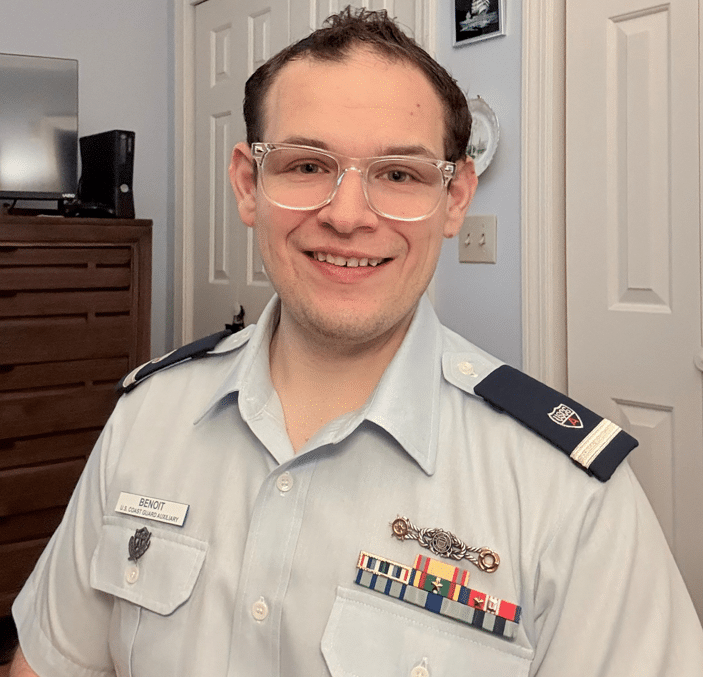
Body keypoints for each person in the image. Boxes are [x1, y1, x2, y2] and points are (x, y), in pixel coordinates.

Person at [10, 7, 703, 676]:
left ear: (455, 197)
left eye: (398, 175)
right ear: (249, 184)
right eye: (307, 166)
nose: (346, 216)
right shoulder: (147, 415)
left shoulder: (569, 497)